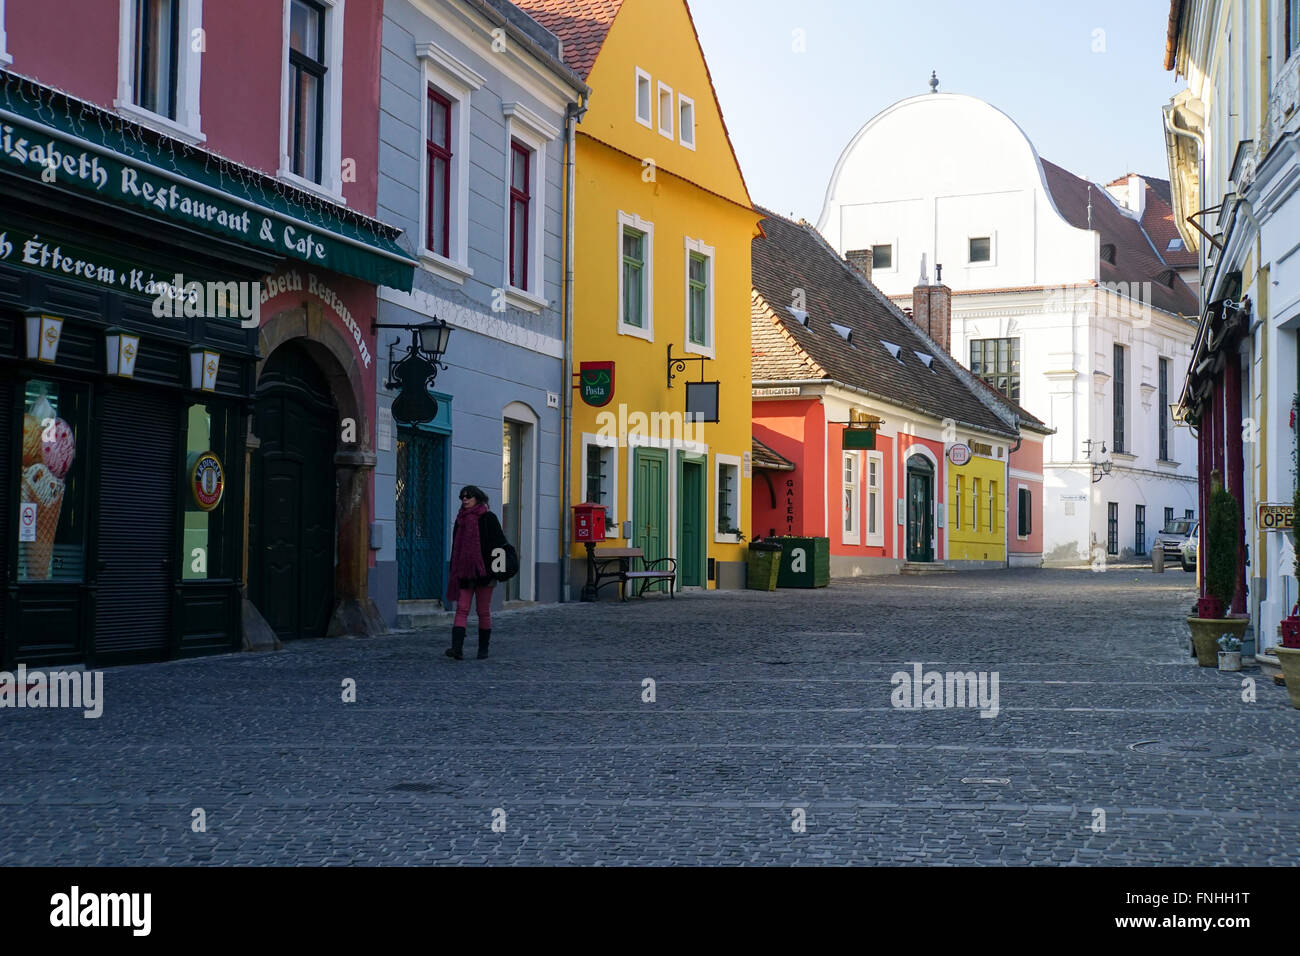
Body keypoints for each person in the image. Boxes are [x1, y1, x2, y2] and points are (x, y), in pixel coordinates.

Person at [445, 484, 506, 660]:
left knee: (483, 610)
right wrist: (454, 570)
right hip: (464, 571)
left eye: (468, 496)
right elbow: (456, 546)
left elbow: (499, 545)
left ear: (477, 498)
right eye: (462, 496)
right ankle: (457, 649)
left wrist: (497, 570)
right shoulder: (460, 520)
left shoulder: (489, 518)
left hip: (485, 572)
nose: (464, 499)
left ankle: (483, 650)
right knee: (462, 608)